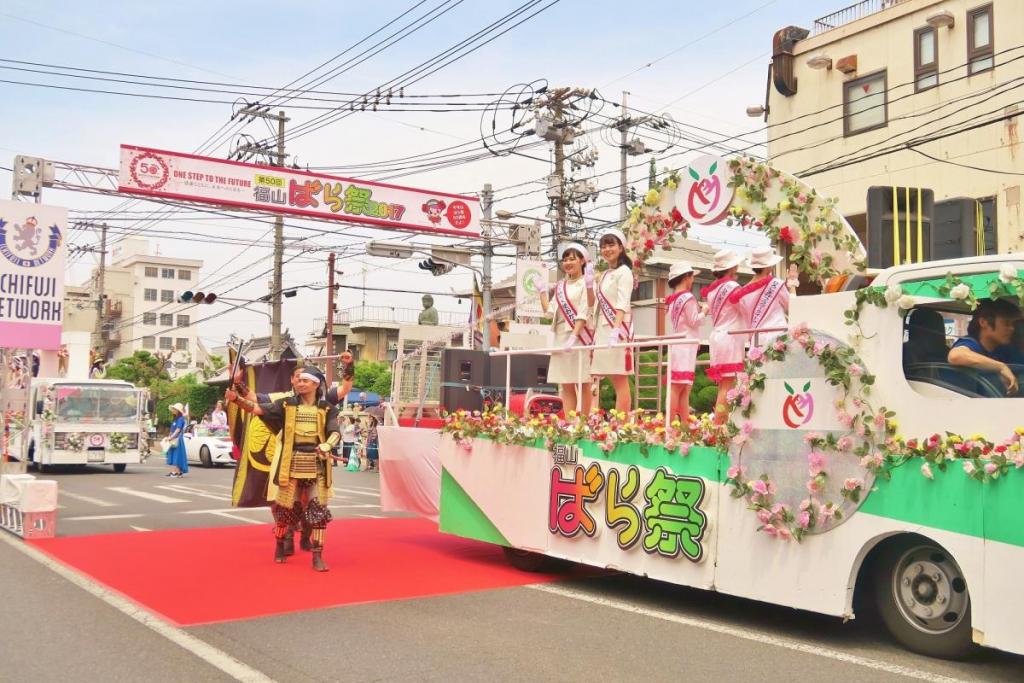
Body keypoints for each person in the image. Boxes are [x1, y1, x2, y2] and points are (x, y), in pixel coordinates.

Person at [226, 365, 341, 571]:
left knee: (319, 512)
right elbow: (257, 408)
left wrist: (327, 445)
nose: (300, 383)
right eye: (298, 380)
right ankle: (280, 545)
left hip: (317, 464)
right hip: (290, 463)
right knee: (286, 512)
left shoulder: (327, 408)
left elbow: (335, 432)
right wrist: (236, 396)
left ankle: (317, 556)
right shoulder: (286, 404)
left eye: (305, 380)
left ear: (316, 383)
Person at [539, 241, 594, 415]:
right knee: (566, 383)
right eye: (565, 260)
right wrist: (541, 291)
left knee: (582, 381)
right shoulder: (561, 286)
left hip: (579, 337)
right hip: (561, 336)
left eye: (572, 259)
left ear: (582, 261)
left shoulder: (587, 282)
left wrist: (574, 336)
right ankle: (570, 423)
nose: (568, 263)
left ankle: (584, 423)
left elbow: (585, 311)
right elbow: (549, 312)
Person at [590, 228, 635, 414]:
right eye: (603, 246)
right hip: (602, 329)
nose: (607, 249)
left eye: (611, 245)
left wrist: (616, 330)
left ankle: (621, 426)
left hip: (617, 328)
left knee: (619, 380)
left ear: (621, 248)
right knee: (604, 376)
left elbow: (622, 303)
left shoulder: (625, 272)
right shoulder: (606, 274)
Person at [702, 249, 745, 423]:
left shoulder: (712, 291)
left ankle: (720, 421)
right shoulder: (733, 287)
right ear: (732, 266)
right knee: (727, 386)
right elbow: (742, 308)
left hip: (717, 336)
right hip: (730, 337)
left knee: (723, 386)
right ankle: (720, 423)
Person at [948, 298, 1021, 395]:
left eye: (1013, 324)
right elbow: (955, 356)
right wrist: (1001, 367)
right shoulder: (971, 344)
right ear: (983, 322)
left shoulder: (1003, 350)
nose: (1011, 328)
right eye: (1006, 323)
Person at [664, 261, 704, 422]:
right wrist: (705, 311)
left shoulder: (672, 300)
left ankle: (681, 425)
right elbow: (694, 321)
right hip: (686, 344)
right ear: (686, 277)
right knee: (679, 387)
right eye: (691, 277)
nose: (692, 280)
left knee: (682, 387)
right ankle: (672, 425)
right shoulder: (688, 297)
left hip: (678, 342)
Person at [730, 247, 788, 350]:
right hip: (777, 338)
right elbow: (790, 307)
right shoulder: (776, 284)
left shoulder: (741, 294)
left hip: (756, 340)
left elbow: (746, 319)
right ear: (768, 266)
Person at [165, 403, 189, 478]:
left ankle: (175, 472)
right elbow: (172, 429)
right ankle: (177, 472)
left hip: (177, 439)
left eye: (175, 409)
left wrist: (171, 437)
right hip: (174, 438)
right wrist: (169, 436)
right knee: (173, 455)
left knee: (176, 455)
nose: (173, 410)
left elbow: (178, 430)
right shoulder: (176, 418)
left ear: (178, 411)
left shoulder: (181, 419)